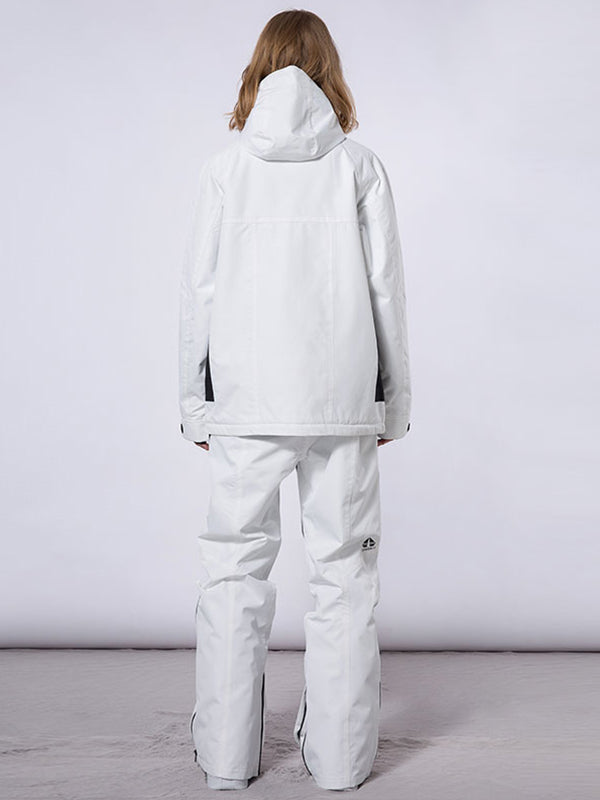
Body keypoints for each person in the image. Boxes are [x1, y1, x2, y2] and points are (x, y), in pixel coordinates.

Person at [178, 9, 411, 792]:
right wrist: (391, 405)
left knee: (233, 575)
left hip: (246, 405)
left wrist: (196, 404)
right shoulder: (359, 167)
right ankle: (342, 765)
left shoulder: (224, 170)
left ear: (260, 69)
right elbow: (385, 294)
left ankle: (225, 762)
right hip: (341, 403)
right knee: (345, 577)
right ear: (328, 72)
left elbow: (199, 296)